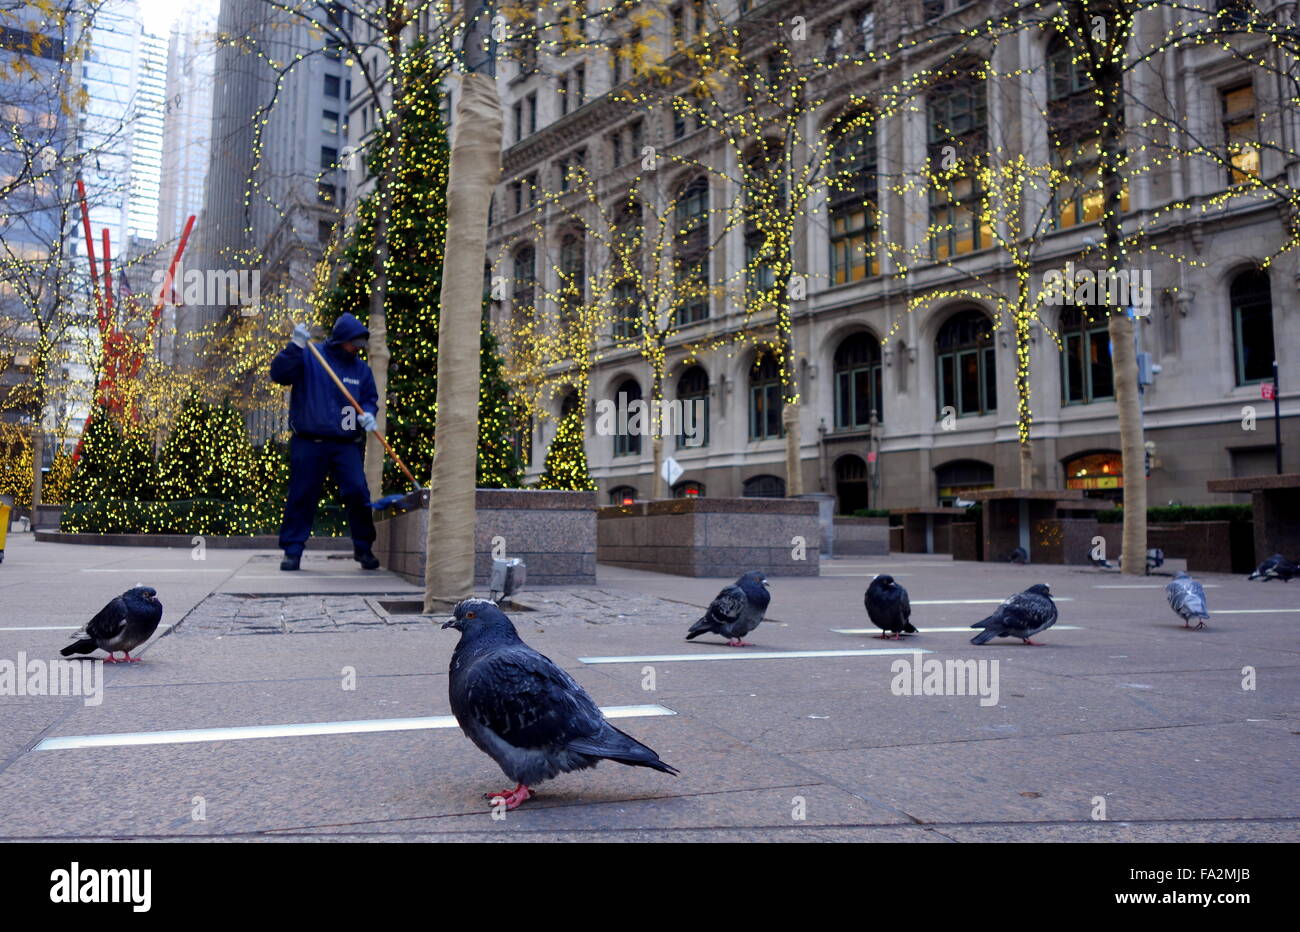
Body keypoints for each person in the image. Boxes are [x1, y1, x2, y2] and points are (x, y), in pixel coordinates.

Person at [270, 313, 381, 572]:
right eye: (354, 342)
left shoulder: (360, 370)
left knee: (357, 492)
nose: (357, 348)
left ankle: (363, 548)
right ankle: (292, 550)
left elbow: (369, 398)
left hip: (345, 444)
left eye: (360, 344)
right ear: (341, 339)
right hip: (309, 440)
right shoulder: (310, 356)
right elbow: (279, 374)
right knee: (302, 495)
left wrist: (368, 414)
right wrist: (294, 346)